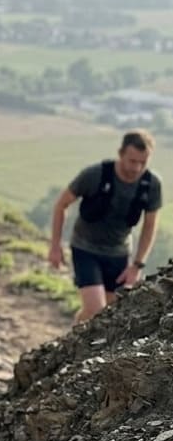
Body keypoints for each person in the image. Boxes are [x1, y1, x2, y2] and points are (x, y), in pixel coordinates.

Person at [48, 129, 162, 324]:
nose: (136, 168)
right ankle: (73, 347)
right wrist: (55, 246)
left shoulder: (151, 185)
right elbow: (61, 205)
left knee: (106, 314)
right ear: (120, 154)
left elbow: (150, 226)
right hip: (85, 248)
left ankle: (71, 340)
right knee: (95, 310)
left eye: (143, 163)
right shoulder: (95, 175)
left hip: (118, 253)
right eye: (132, 161)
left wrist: (137, 264)